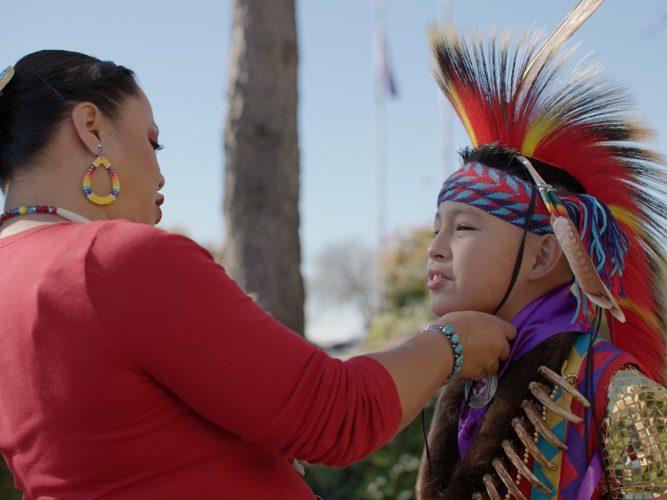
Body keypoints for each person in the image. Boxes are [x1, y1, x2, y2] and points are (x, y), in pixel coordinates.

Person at [0, 51, 515, 500]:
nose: (160, 176)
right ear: (90, 128)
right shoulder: (112, 260)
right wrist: (452, 342)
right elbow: (338, 416)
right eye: (153, 144)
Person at [415, 19, 667, 500]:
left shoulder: (617, 391)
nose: (436, 247)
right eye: (436, 228)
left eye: (464, 227)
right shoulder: (467, 384)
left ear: (545, 255)